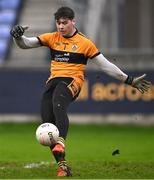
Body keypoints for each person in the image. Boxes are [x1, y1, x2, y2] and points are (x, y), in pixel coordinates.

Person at [10, 6, 151, 177]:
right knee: (48, 124)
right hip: (53, 81)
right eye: (58, 23)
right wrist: (17, 36)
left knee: (58, 100)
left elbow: (106, 65)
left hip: (72, 82)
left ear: (73, 22)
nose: (61, 27)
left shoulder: (85, 43)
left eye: (64, 23)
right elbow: (26, 44)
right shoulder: (52, 37)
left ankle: (61, 142)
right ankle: (63, 166)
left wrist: (128, 80)